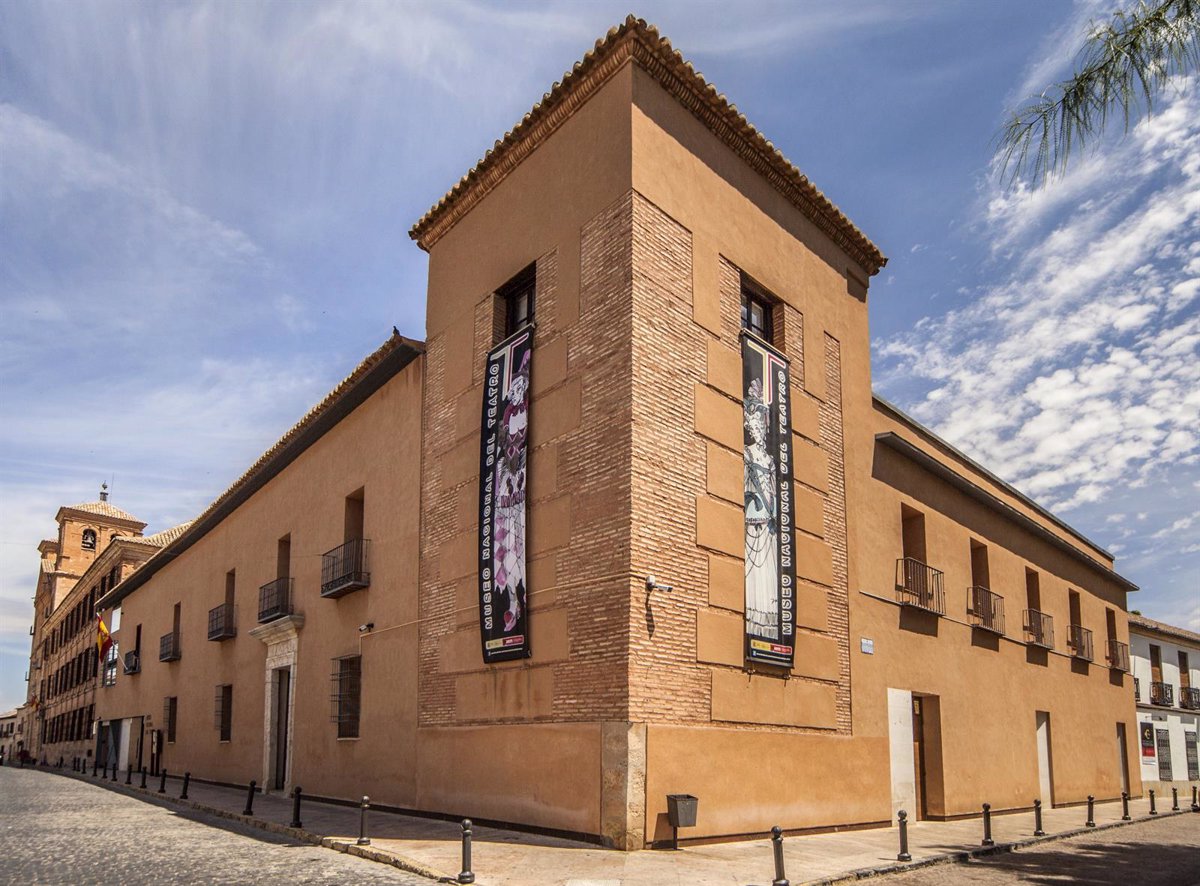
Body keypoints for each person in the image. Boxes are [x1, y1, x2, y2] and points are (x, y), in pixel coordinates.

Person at [494, 351, 529, 633]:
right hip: (509, 492)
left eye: (518, 389)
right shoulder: (508, 416)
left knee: (518, 544)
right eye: (512, 390)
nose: (514, 394)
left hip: (520, 486)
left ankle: (518, 601)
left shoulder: (522, 413)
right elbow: (506, 450)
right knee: (506, 550)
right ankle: (512, 603)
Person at [744, 380, 779, 638]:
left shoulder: (770, 460)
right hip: (751, 525)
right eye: (751, 424)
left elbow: (776, 493)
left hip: (768, 528)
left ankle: (769, 621)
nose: (755, 428)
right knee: (754, 576)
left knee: (768, 575)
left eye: (759, 425)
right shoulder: (745, 454)